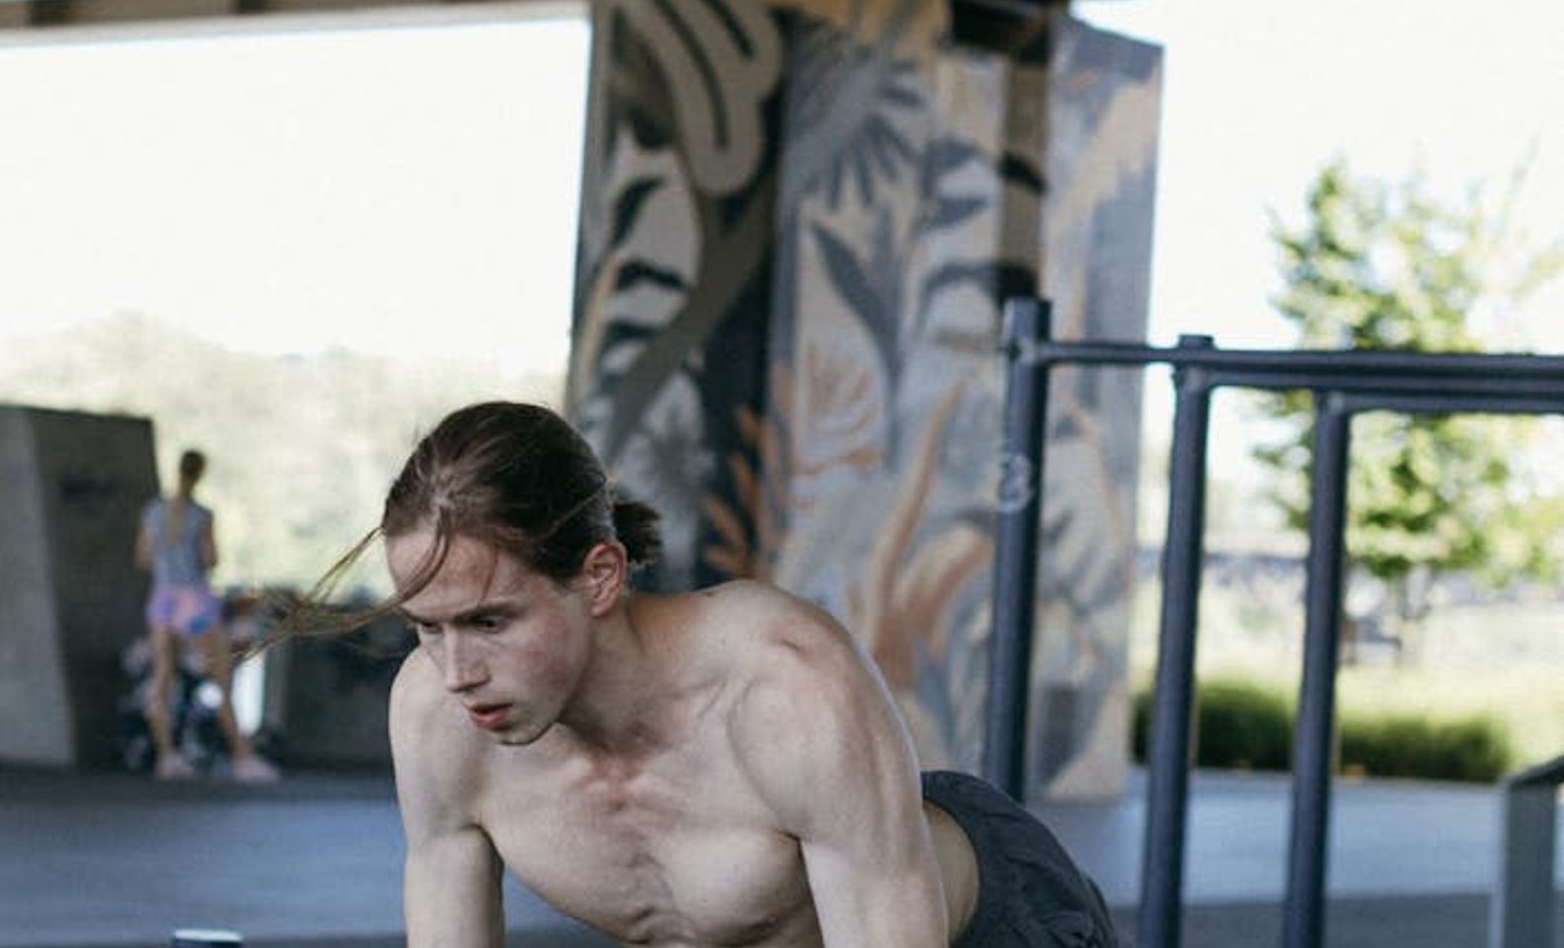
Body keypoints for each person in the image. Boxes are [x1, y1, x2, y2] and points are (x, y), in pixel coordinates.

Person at [280, 401, 1121, 946]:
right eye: (427, 629)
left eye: (491, 622)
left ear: (601, 576)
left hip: (987, 923)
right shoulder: (436, 719)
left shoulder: (785, 691)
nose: (457, 670)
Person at [136, 448, 279, 784]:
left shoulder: (152, 512)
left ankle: (166, 757)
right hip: (193, 605)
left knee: (161, 681)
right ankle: (243, 758)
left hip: (162, 602)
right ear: (200, 474)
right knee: (222, 678)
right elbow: (211, 558)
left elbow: (142, 557)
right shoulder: (201, 515)